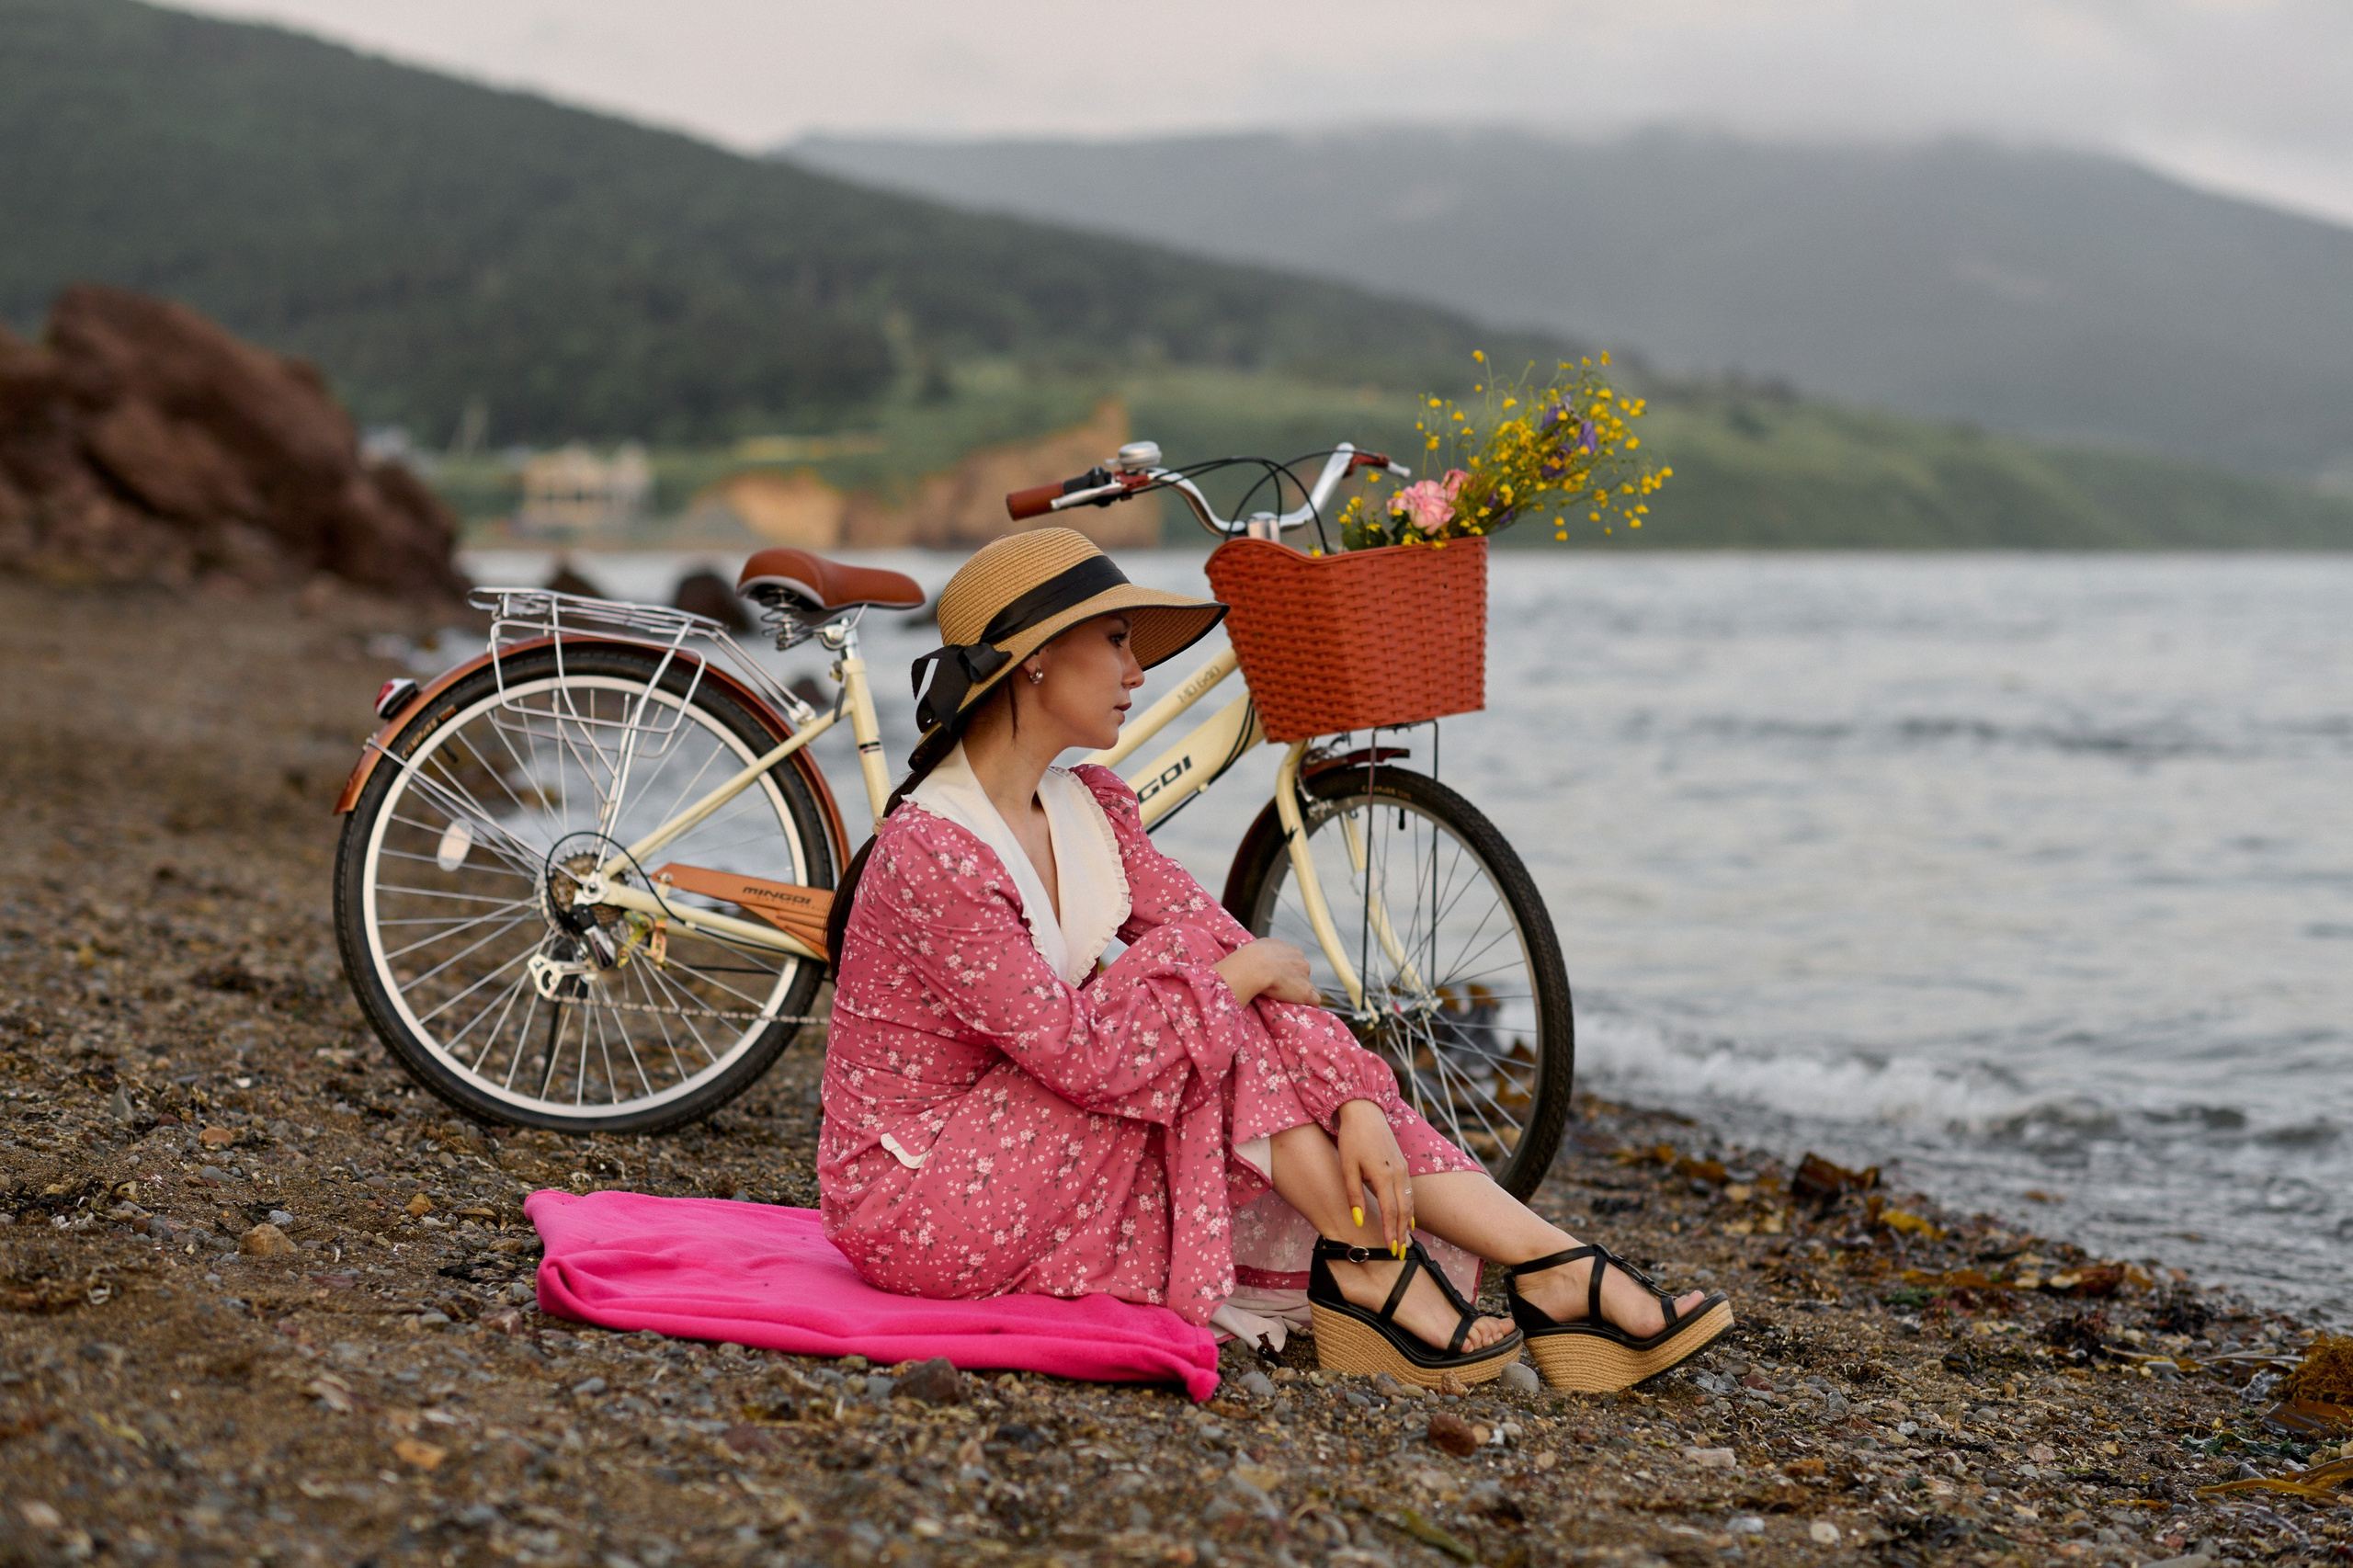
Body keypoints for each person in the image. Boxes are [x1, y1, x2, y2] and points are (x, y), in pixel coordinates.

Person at [816, 528, 1732, 1391]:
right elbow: (1083, 1052)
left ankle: (1547, 1264)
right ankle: (1386, 1270)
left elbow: (1233, 952)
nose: (1139, 671)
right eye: (1119, 640)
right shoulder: (932, 849)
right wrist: (1230, 979)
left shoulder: (1090, 805)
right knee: (1195, 997)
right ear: (1035, 655)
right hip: (917, 1195)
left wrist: (1356, 1099)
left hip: (1035, 1144)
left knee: (1207, 984)